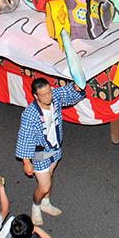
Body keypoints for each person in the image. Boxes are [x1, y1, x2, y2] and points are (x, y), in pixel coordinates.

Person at [16, 78, 86, 225]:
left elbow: (68, 91)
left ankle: (46, 203)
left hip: (55, 148)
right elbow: (25, 137)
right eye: (43, 95)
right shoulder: (30, 114)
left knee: (50, 174)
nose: (48, 97)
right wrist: (26, 162)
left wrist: (76, 86)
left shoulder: (54, 97)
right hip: (40, 153)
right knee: (44, 186)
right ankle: (35, 206)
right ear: (36, 96)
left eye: (49, 93)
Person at [0, 213, 64, 238]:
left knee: (35, 236)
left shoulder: (13, 232)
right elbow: (35, 229)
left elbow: (35, 229)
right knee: (35, 236)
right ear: (31, 232)